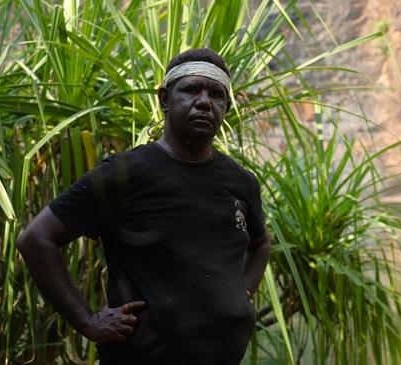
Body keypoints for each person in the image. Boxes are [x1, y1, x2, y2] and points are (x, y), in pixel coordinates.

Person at [16, 48, 271, 365]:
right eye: (191, 89)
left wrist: (241, 296)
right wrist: (87, 321)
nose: (205, 101)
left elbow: (260, 242)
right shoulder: (125, 174)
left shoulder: (240, 181)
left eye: (217, 94)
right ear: (165, 99)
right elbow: (36, 238)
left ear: (226, 107)